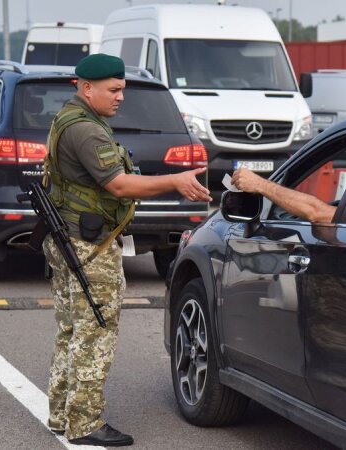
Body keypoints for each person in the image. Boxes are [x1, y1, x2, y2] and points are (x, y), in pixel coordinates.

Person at [42, 53, 211, 447]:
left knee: (71, 330)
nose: (120, 98)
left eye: (122, 90)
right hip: (88, 246)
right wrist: (175, 181)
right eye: (113, 90)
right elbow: (118, 185)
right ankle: (84, 423)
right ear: (86, 88)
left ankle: (60, 413)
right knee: (95, 331)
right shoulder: (87, 131)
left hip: (68, 239)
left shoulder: (69, 118)